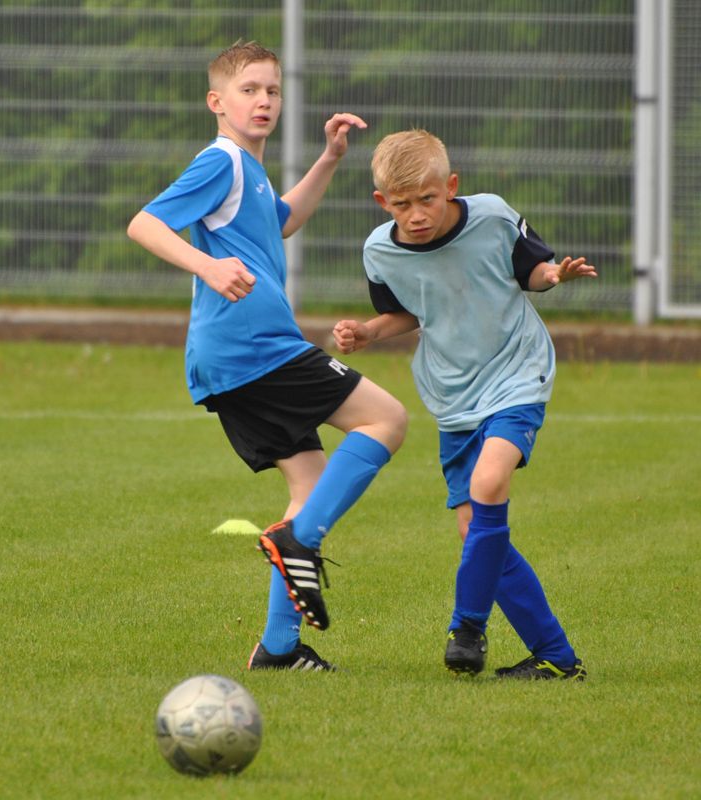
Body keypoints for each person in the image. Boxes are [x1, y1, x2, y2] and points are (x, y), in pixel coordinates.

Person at [127, 41, 407, 673]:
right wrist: (208, 266)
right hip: (254, 347)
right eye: (249, 89)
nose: (263, 101)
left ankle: (279, 649)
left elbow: (281, 220)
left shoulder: (247, 170)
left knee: (310, 484)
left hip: (236, 357)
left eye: (272, 91)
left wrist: (330, 158)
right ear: (216, 101)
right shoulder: (220, 161)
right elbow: (144, 223)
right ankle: (295, 542)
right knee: (387, 419)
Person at [332, 129, 596, 680]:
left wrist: (553, 275)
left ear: (451, 186)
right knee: (475, 532)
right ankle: (557, 657)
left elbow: (531, 270)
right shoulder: (380, 251)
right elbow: (407, 311)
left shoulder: (493, 217)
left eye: (427, 199)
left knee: (489, 482)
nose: (416, 215)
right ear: (382, 202)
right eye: (402, 204)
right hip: (452, 395)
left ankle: (467, 627)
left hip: (517, 374)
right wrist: (368, 332)